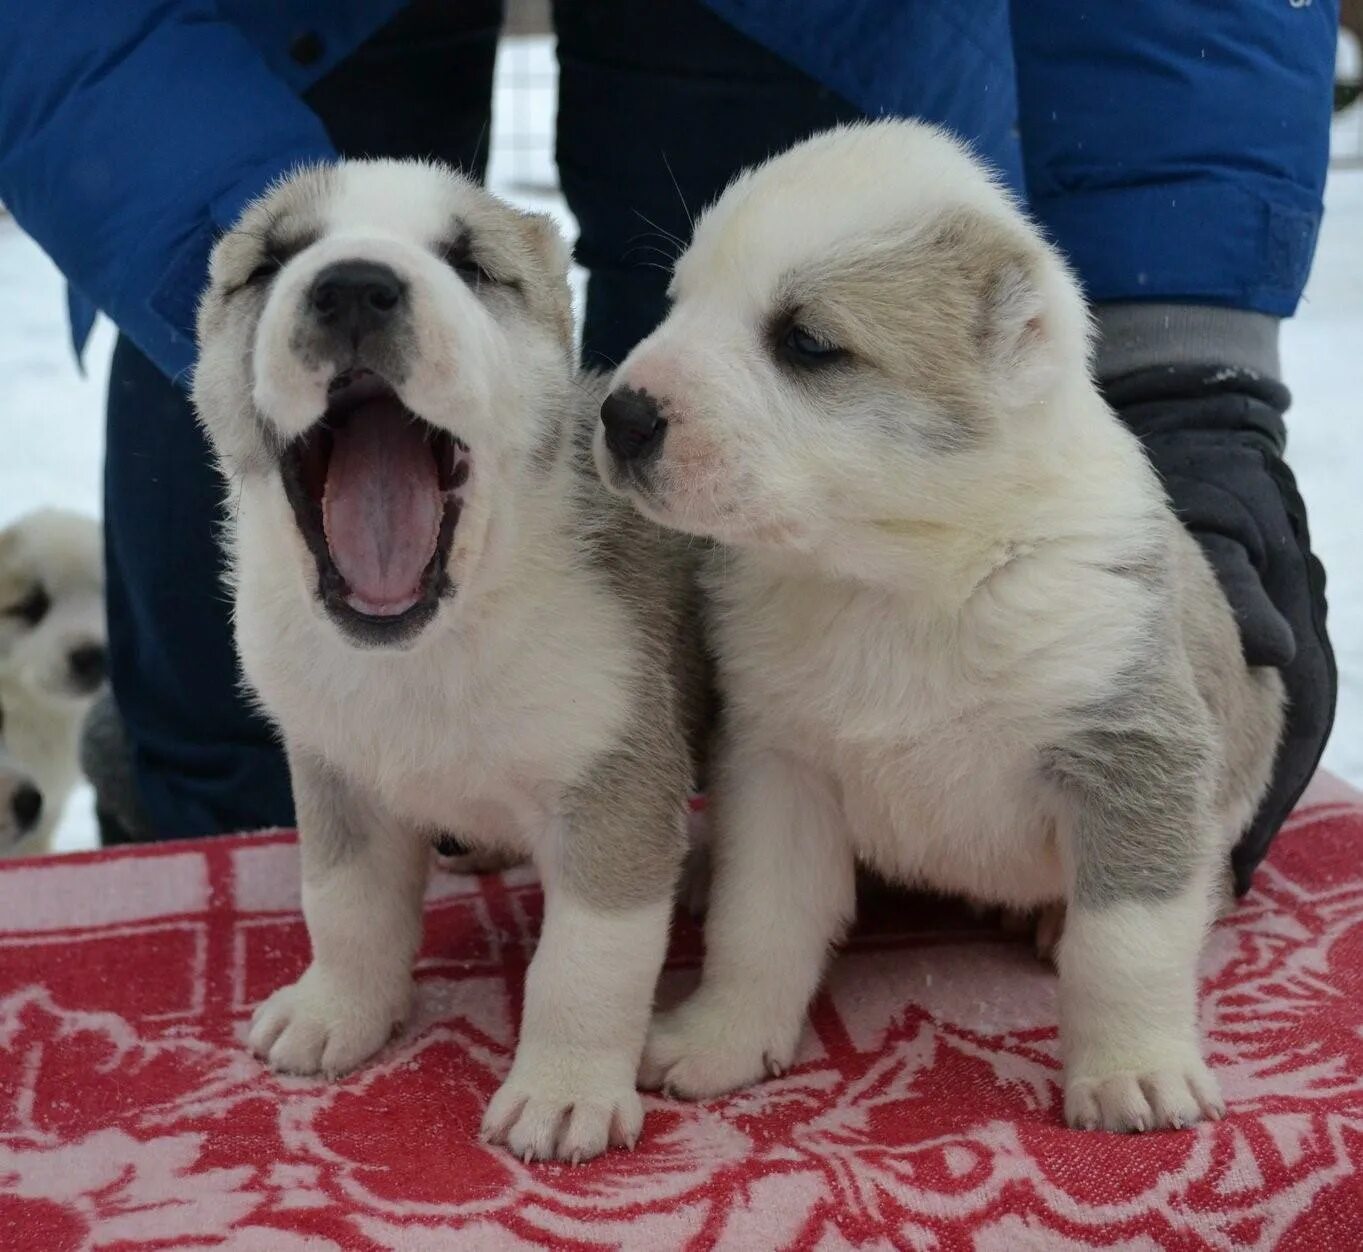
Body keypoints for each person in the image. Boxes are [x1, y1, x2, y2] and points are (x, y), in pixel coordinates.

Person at [0, 0, 1337, 890]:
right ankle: (205, 883)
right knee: (275, 631)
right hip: (236, 25)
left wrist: (1185, 344)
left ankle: (706, 883)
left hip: (782, 16)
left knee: (746, 550)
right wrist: (268, 281)